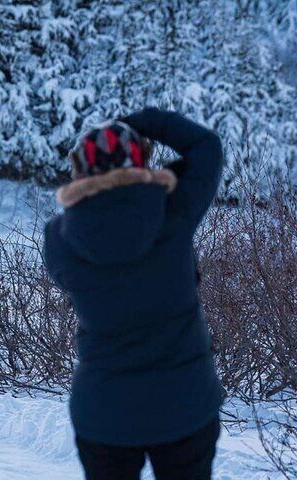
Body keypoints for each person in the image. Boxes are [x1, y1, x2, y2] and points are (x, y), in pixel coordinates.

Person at [42, 108, 224, 480]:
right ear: (141, 158)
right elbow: (206, 147)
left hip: (104, 412)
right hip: (184, 405)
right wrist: (142, 121)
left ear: (80, 170)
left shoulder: (59, 238)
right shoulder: (174, 211)